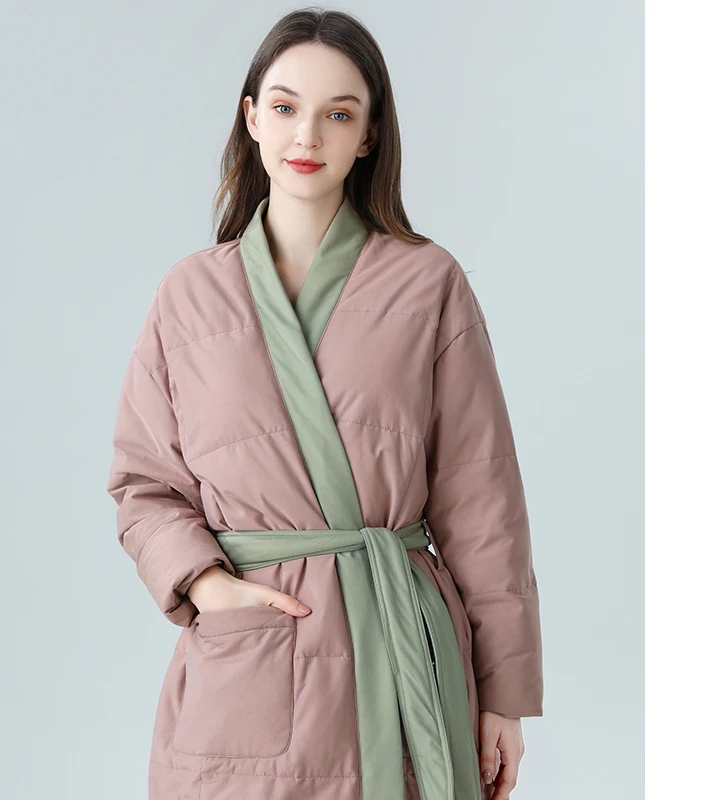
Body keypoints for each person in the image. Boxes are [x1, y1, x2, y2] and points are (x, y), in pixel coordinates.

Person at [106, 7, 543, 800]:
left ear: (369, 135)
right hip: (246, 657)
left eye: (339, 114)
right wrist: (207, 586)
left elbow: (482, 499)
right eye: (285, 107)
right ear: (251, 118)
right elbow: (144, 485)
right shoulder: (187, 296)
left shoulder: (428, 284)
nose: (307, 136)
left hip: (400, 654)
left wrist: (504, 697)